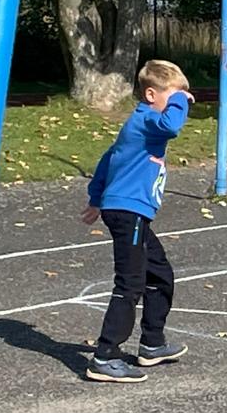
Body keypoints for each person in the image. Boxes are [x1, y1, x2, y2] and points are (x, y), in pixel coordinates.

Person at [80, 59, 194, 383]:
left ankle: (152, 343)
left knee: (160, 274)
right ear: (150, 95)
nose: (180, 102)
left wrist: (95, 197)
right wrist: (180, 100)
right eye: (172, 96)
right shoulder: (147, 120)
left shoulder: (142, 125)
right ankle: (105, 356)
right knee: (130, 283)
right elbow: (172, 126)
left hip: (132, 213)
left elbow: (109, 158)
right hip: (128, 212)